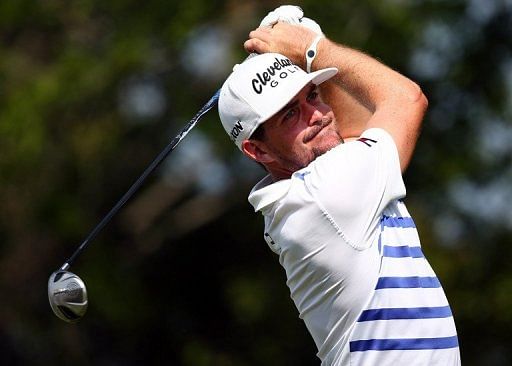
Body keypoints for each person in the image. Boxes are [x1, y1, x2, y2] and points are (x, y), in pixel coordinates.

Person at [218, 6, 461, 366]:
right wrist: (313, 46)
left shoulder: (310, 187)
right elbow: (406, 99)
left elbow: (352, 134)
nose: (316, 114)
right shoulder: (324, 196)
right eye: (289, 114)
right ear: (258, 149)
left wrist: (309, 52)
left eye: (312, 96)